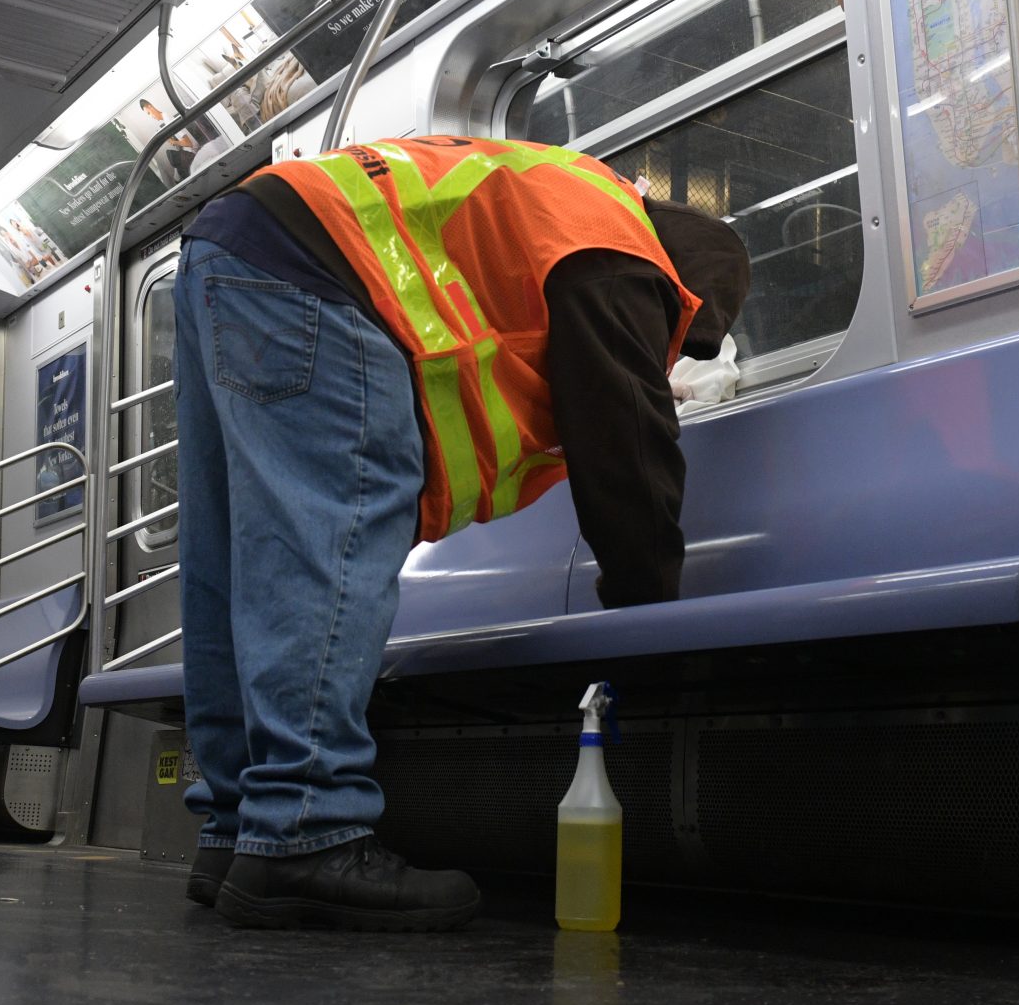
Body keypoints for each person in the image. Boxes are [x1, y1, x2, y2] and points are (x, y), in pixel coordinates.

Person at [170, 136, 751, 931]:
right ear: (682, 284)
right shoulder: (621, 249)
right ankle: (304, 829)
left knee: (233, 553)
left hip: (234, 248)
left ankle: (238, 824)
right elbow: (626, 440)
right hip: (324, 273)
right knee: (327, 535)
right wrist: (648, 610)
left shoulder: (568, 194)